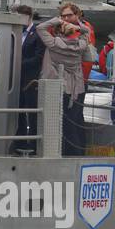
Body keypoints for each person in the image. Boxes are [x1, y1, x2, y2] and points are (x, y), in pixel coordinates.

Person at [37, 8, 90, 155]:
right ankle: (75, 154)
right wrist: (77, 26)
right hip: (76, 88)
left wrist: (59, 20)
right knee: (72, 123)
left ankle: (58, 152)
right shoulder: (81, 45)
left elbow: (40, 27)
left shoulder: (53, 43)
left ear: (59, 32)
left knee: (56, 123)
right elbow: (87, 33)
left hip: (58, 88)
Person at [14, 4, 45, 145]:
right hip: (16, 79)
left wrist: (19, 63)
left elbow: (39, 57)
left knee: (31, 112)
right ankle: (19, 141)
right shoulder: (16, 32)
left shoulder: (37, 34)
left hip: (30, 79)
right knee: (18, 110)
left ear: (29, 17)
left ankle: (32, 144)